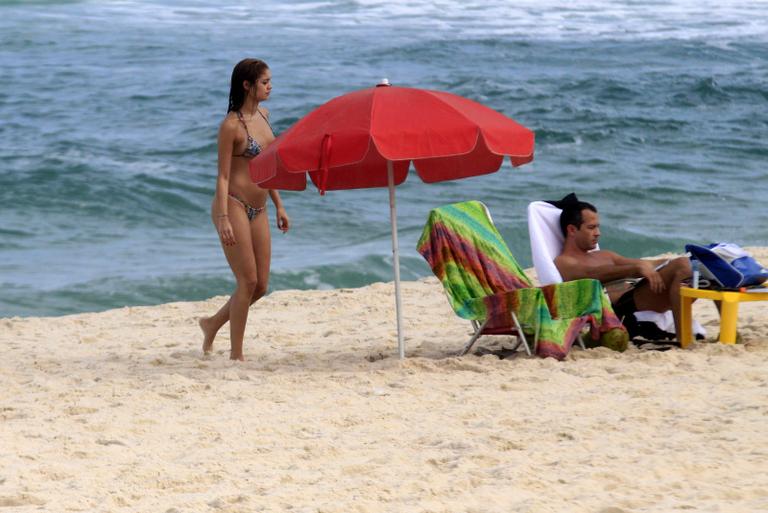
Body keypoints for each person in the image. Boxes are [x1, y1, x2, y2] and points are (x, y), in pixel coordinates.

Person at [199, 58, 290, 360]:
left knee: (260, 285)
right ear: (247, 85)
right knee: (247, 281)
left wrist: (279, 204)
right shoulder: (231, 126)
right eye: (265, 82)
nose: (271, 86)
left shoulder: (264, 116)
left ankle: (212, 324)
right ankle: (236, 355)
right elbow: (223, 175)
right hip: (233, 205)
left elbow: (267, 166)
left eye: (270, 81)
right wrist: (223, 216)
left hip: (260, 207)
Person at [554, 200, 692, 341]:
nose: (598, 233)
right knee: (683, 266)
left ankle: (714, 337)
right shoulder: (564, 261)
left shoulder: (604, 255)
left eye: (598, 227)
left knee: (695, 266)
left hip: (635, 294)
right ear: (572, 230)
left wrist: (666, 263)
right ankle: (684, 339)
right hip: (621, 310)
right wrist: (635, 269)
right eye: (591, 228)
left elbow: (646, 263)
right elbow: (590, 274)